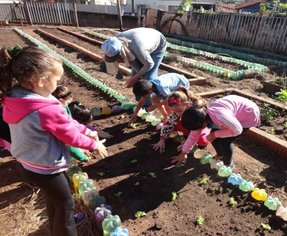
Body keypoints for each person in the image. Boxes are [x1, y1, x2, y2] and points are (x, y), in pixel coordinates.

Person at [0, 46, 108, 236]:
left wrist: (85, 130)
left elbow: (65, 124)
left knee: (55, 202)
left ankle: (54, 230)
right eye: (56, 79)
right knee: (66, 207)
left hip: (26, 164)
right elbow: (69, 135)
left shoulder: (15, 97)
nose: (58, 83)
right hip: (46, 169)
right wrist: (93, 144)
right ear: (41, 81)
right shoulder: (45, 108)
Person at [172, 95, 260, 167]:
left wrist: (215, 133)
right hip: (232, 112)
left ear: (203, 124)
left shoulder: (220, 117)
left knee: (224, 142)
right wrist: (183, 153)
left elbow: (238, 130)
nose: (196, 131)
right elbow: (193, 136)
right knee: (212, 137)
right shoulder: (200, 117)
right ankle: (220, 154)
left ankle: (228, 164)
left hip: (247, 114)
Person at [101, 27, 167, 88]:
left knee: (148, 78)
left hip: (158, 43)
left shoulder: (138, 48)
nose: (118, 60)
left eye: (117, 57)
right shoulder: (114, 41)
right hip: (143, 42)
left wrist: (134, 78)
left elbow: (149, 64)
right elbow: (133, 61)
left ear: (122, 50)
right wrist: (134, 77)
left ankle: (155, 96)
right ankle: (140, 98)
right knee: (136, 76)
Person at [152, 89, 208, 153]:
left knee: (203, 141)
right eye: (174, 111)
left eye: (179, 111)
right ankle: (186, 135)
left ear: (187, 104)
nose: (177, 114)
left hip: (200, 127)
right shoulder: (178, 110)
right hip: (189, 126)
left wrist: (188, 142)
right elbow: (169, 123)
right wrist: (162, 140)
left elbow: (201, 127)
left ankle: (191, 139)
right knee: (170, 122)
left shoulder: (197, 111)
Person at [52, 86, 91, 162]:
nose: (67, 105)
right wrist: (82, 157)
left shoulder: (62, 108)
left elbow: (71, 124)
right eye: (68, 103)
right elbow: (69, 141)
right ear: (61, 101)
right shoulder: (57, 118)